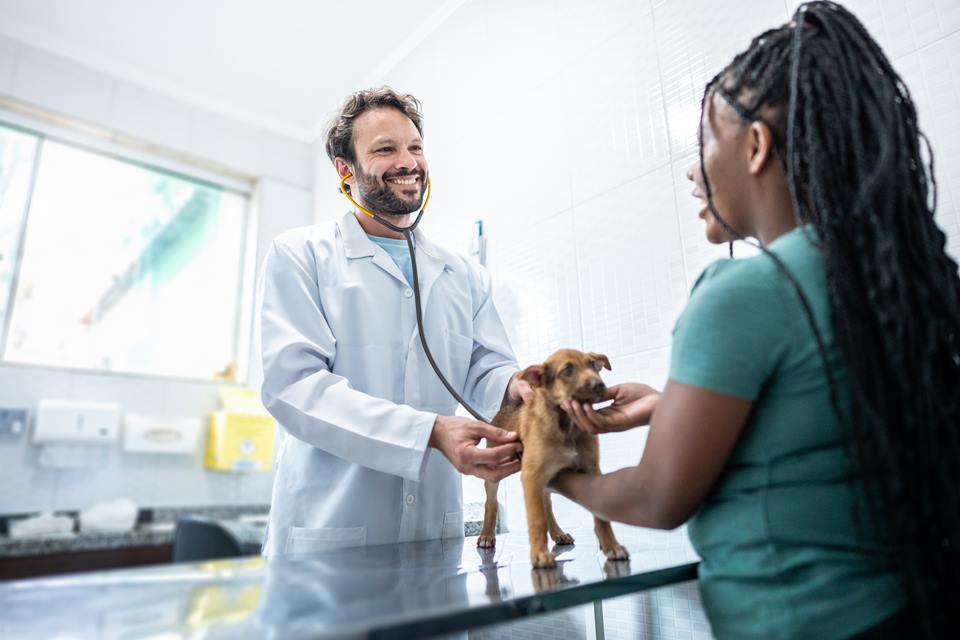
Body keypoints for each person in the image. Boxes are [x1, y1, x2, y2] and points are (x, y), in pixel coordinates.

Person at [553, 3, 960, 639]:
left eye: (703, 143)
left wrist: (560, 478)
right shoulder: (886, 272)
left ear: (756, 146)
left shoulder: (743, 292)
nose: (693, 170)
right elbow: (822, 415)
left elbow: (659, 497)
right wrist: (669, 405)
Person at [259, 87, 530, 557]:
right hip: (329, 537)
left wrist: (519, 386)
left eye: (415, 148)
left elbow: (487, 370)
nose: (408, 162)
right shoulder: (301, 255)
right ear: (346, 170)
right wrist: (429, 431)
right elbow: (294, 388)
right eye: (385, 149)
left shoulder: (462, 273)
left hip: (433, 535)